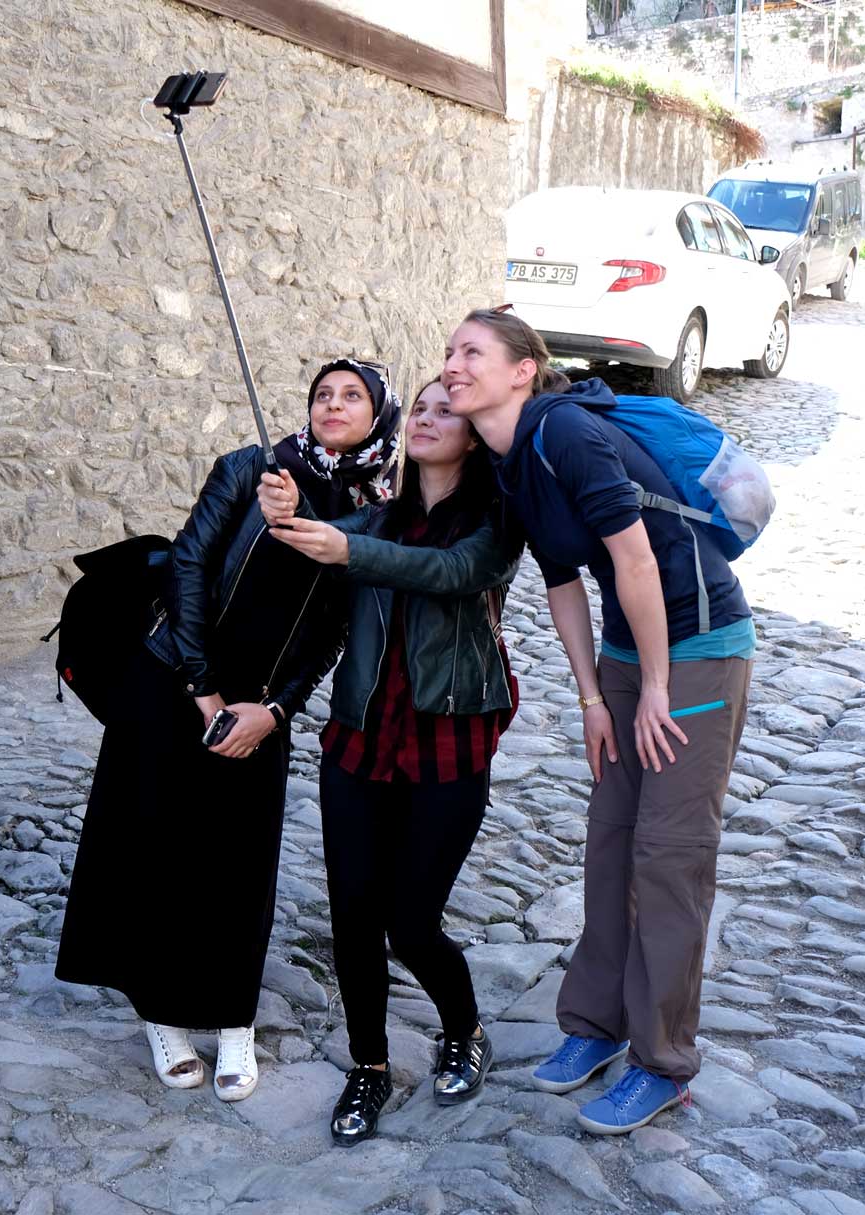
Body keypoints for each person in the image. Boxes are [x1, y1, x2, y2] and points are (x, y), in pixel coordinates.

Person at [442, 309, 754, 1135]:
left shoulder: (567, 435)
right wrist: (591, 697)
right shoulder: (512, 459)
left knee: (668, 853)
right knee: (611, 836)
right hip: (627, 649)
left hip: (698, 645)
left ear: (520, 371)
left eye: (470, 351)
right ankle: (594, 1025)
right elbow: (561, 582)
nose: (451, 364)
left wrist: (654, 686)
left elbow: (635, 558)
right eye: (448, 352)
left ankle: (663, 1063)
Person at [57, 359, 400, 1102]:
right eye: (321, 393)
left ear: (379, 414)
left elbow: (334, 631)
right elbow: (188, 565)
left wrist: (275, 711)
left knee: (235, 864)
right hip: (174, 680)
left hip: (260, 706)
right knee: (152, 847)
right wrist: (201, 688)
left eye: (352, 396)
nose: (332, 404)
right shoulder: (251, 467)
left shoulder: (377, 511)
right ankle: (159, 1016)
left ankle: (231, 1020)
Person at [257, 378, 522, 1145]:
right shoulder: (372, 517)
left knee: (410, 922)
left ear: (474, 435)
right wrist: (289, 519)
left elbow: (450, 574)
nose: (432, 417)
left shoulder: (496, 522)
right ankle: (366, 1066)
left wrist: (345, 545)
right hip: (359, 742)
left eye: (450, 409)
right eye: (425, 408)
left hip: (449, 744)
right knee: (351, 921)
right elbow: (323, 545)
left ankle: (463, 1027)